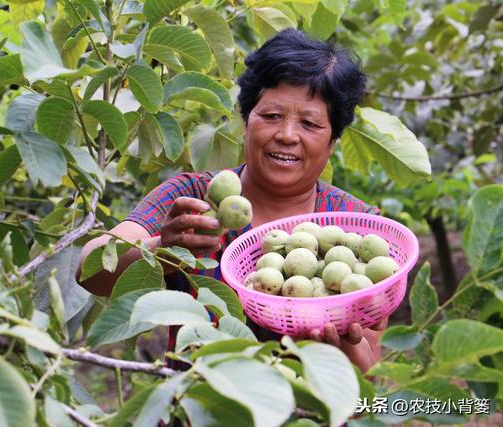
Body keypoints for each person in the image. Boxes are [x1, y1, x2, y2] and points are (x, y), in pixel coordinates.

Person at [78, 28, 386, 373]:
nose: (286, 135)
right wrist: (162, 247)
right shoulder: (194, 199)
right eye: (270, 116)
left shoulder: (356, 228)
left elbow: (368, 372)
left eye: (310, 124)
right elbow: (89, 267)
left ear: (333, 141)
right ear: (245, 122)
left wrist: (346, 351)